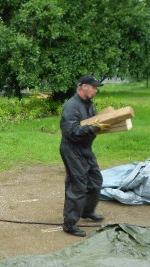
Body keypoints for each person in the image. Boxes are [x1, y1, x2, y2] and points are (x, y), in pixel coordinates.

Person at [60, 75, 110, 237]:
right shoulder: (71, 106)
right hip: (72, 149)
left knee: (95, 180)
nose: (96, 90)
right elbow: (71, 132)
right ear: (84, 87)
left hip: (85, 147)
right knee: (78, 184)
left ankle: (87, 211)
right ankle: (69, 223)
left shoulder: (88, 105)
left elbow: (93, 122)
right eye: (94, 87)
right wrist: (92, 128)